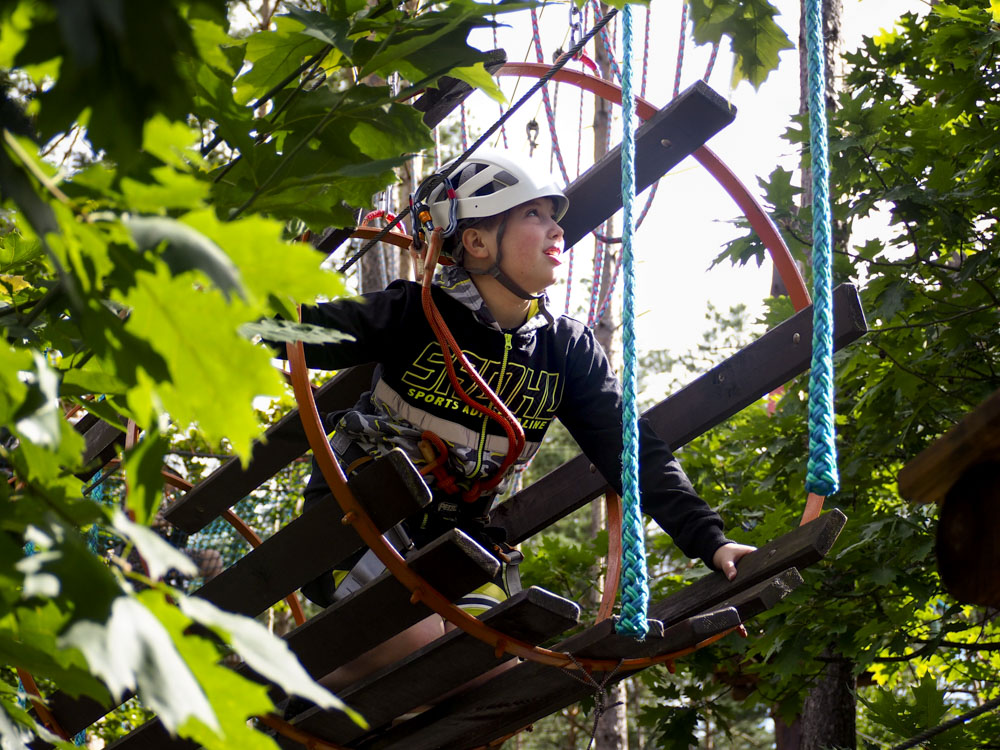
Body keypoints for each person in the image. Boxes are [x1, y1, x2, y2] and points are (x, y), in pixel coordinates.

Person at [286, 149, 754, 690]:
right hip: (355, 523)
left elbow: (632, 453)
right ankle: (290, 693)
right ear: (477, 241)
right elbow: (301, 331)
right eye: (533, 214)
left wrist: (710, 540)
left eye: (554, 215)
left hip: (454, 546)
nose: (557, 228)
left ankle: (359, 709)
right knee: (422, 647)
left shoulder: (566, 351)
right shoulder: (415, 314)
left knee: (492, 672)